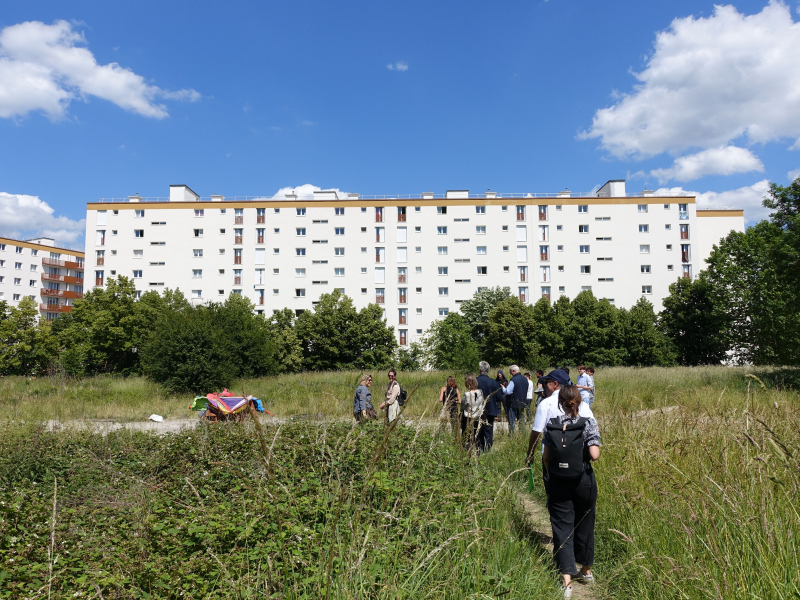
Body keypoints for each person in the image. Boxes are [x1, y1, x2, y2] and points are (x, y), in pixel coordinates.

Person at [541, 385, 600, 597]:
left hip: (558, 481)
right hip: (583, 480)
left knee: (561, 527)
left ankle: (566, 582)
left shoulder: (552, 424)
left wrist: (551, 475)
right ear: (579, 402)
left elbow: (546, 457)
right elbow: (594, 454)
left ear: (560, 403)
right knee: (585, 522)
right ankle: (585, 570)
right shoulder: (588, 423)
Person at [526, 369, 594, 493]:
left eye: (547, 382)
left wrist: (530, 453)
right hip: (579, 457)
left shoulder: (545, 404)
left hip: (552, 456)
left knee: (556, 498)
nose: (545, 386)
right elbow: (595, 429)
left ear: (555, 384)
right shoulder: (581, 404)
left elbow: (537, 432)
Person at [476, 361, 501, 452]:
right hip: (490, 410)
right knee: (488, 431)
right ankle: (488, 450)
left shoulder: (475, 381)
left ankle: (479, 448)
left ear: (480, 370)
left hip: (477, 410)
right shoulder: (493, 382)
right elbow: (499, 397)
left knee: (478, 430)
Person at [502, 365, 529, 433]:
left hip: (513, 403)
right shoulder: (525, 379)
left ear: (513, 371)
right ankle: (523, 434)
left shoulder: (513, 379)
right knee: (521, 421)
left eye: (510, 372)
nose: (510, 374)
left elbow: (508, 392)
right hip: (522, 402)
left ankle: (512, 435)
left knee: (512, 422)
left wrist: (503, 387)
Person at [461, 374, 484, 452]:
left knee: (467, 437)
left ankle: (468, 452)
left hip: (468, 417)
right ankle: (477, 452)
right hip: (478, 416)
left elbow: (463, 406)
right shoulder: (480, 392)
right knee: (476, 436)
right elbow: (482, 403)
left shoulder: (467, 394)